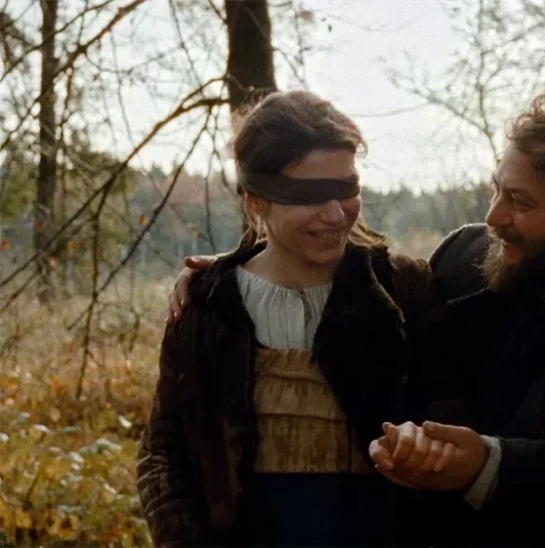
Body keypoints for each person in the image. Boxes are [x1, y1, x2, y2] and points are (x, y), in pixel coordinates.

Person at [167, 95, 545, 547]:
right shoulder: (466, 260)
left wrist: (487, 464)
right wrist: (228, 272)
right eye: (496, 190)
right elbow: (349, 273)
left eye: (520, 202)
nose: (493, 217)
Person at [136, 90, 453, 547]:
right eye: (309, 195)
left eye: (347, 188)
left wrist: (419, 449)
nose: (335, 214)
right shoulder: (208, 306)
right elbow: (164, 454)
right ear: (255, 201)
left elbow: (449, 413)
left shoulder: (403, 289)